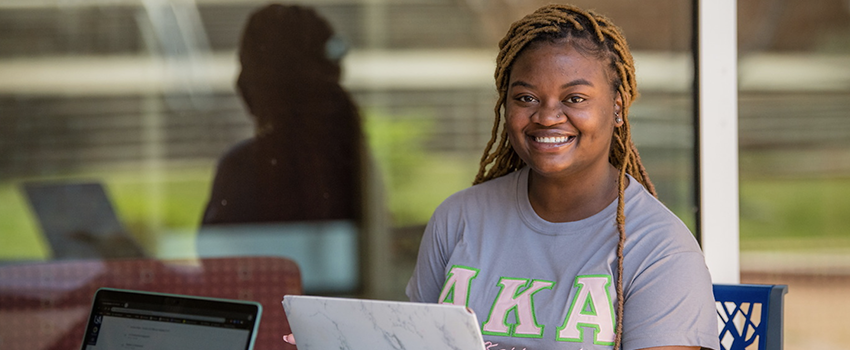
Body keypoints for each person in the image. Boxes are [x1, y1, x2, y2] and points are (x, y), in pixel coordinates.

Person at [404, 4, 719, 350]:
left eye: (574, 98)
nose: (548, 116)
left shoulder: (659, 249)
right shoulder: (458, 219)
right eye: (526, 97)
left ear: (617, 107)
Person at [200, 4, 362, 227]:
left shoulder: (243, 169)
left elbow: (215, 254)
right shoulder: (355, 163)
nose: (238, 81)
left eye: (246, 65)